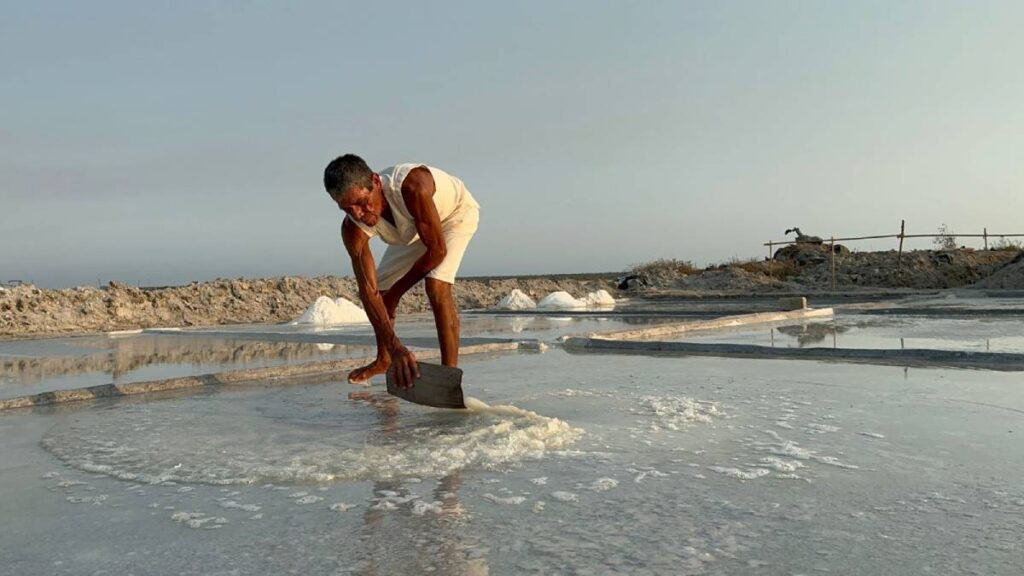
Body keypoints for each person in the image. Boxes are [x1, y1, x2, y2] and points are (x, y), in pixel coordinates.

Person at [323, 154, 480, 389]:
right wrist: (396, 347)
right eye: (347, 208)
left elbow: (436, 251)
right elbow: (369, 291)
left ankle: (449, 377)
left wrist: (395, 295)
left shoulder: (412, 185)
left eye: (361, 203)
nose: (357, 214)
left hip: (453, 216)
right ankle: (385, 359)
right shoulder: (352, 229)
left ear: (376, 182)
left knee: (436, 284)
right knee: (381, 286)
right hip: (416, 228)